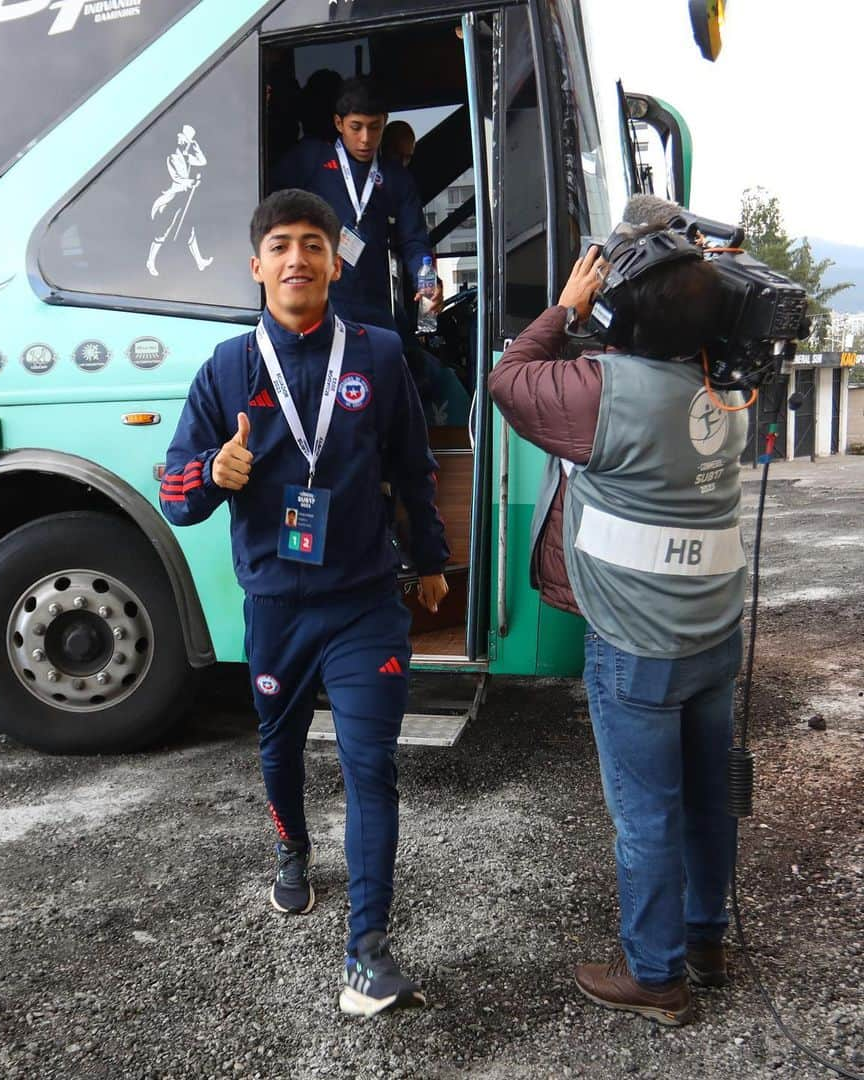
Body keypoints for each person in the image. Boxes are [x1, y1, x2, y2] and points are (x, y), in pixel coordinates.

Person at [159, 188, 450, 1017]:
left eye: (313, 245)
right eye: (280, 245)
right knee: (279, 749)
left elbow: (412, 466)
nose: (297, 259)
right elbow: (176, 490)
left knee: (370, 767)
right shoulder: (226, 369)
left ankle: (368, 950)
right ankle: (292, 851)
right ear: (257, 267)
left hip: (365, 603)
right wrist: (213, 472)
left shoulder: (381, 354)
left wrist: (430, 558)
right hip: (276, 609)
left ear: (333, 261)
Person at [487, 203, 748, 1028]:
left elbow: (508, 377)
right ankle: (704, 942)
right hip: (714, 634)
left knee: (646, 813)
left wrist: (566, 306)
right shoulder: (724, 388)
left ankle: (656, 976)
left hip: (637, 648)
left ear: (618, 314)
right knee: (707, 799)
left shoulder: (604, 393)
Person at [272, 77, 442, 333]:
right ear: (338, 123)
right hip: (317, 304)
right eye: (356, 127)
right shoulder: (310, 160)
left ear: (385, 121)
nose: (365, 139)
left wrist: (426, 279)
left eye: (374, 127)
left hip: (374, 307)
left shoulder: (395, 177)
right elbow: (268, 214)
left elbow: (414, 240)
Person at [146, 124, 213, 277]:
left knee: (190, 231)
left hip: (184, 198)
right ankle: (150, 261)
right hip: (173, 197)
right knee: (163, 231)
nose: (182, 142)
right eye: (181, 139)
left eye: (185, 141)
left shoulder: (188, 156)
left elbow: (202, 161)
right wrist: (191, 182)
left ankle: (200, 262)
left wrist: (195, 145)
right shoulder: (172, 156)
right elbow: (176, 178)